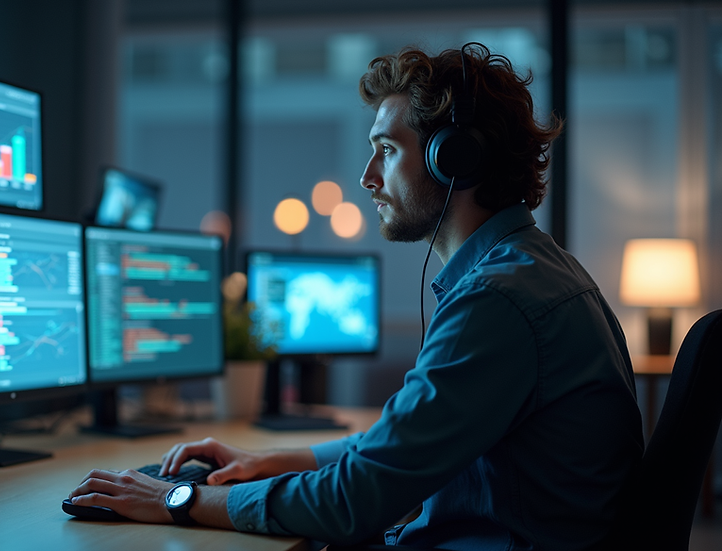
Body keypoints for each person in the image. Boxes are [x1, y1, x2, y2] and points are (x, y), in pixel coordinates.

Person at [69, 43, 644, 550]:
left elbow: (355, 501)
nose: (368, 177)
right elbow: (399, 442)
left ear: (456, 160)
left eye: (387, 150)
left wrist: (177, 502)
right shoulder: (531, 271)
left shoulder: (499, 300)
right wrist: (272, 461)